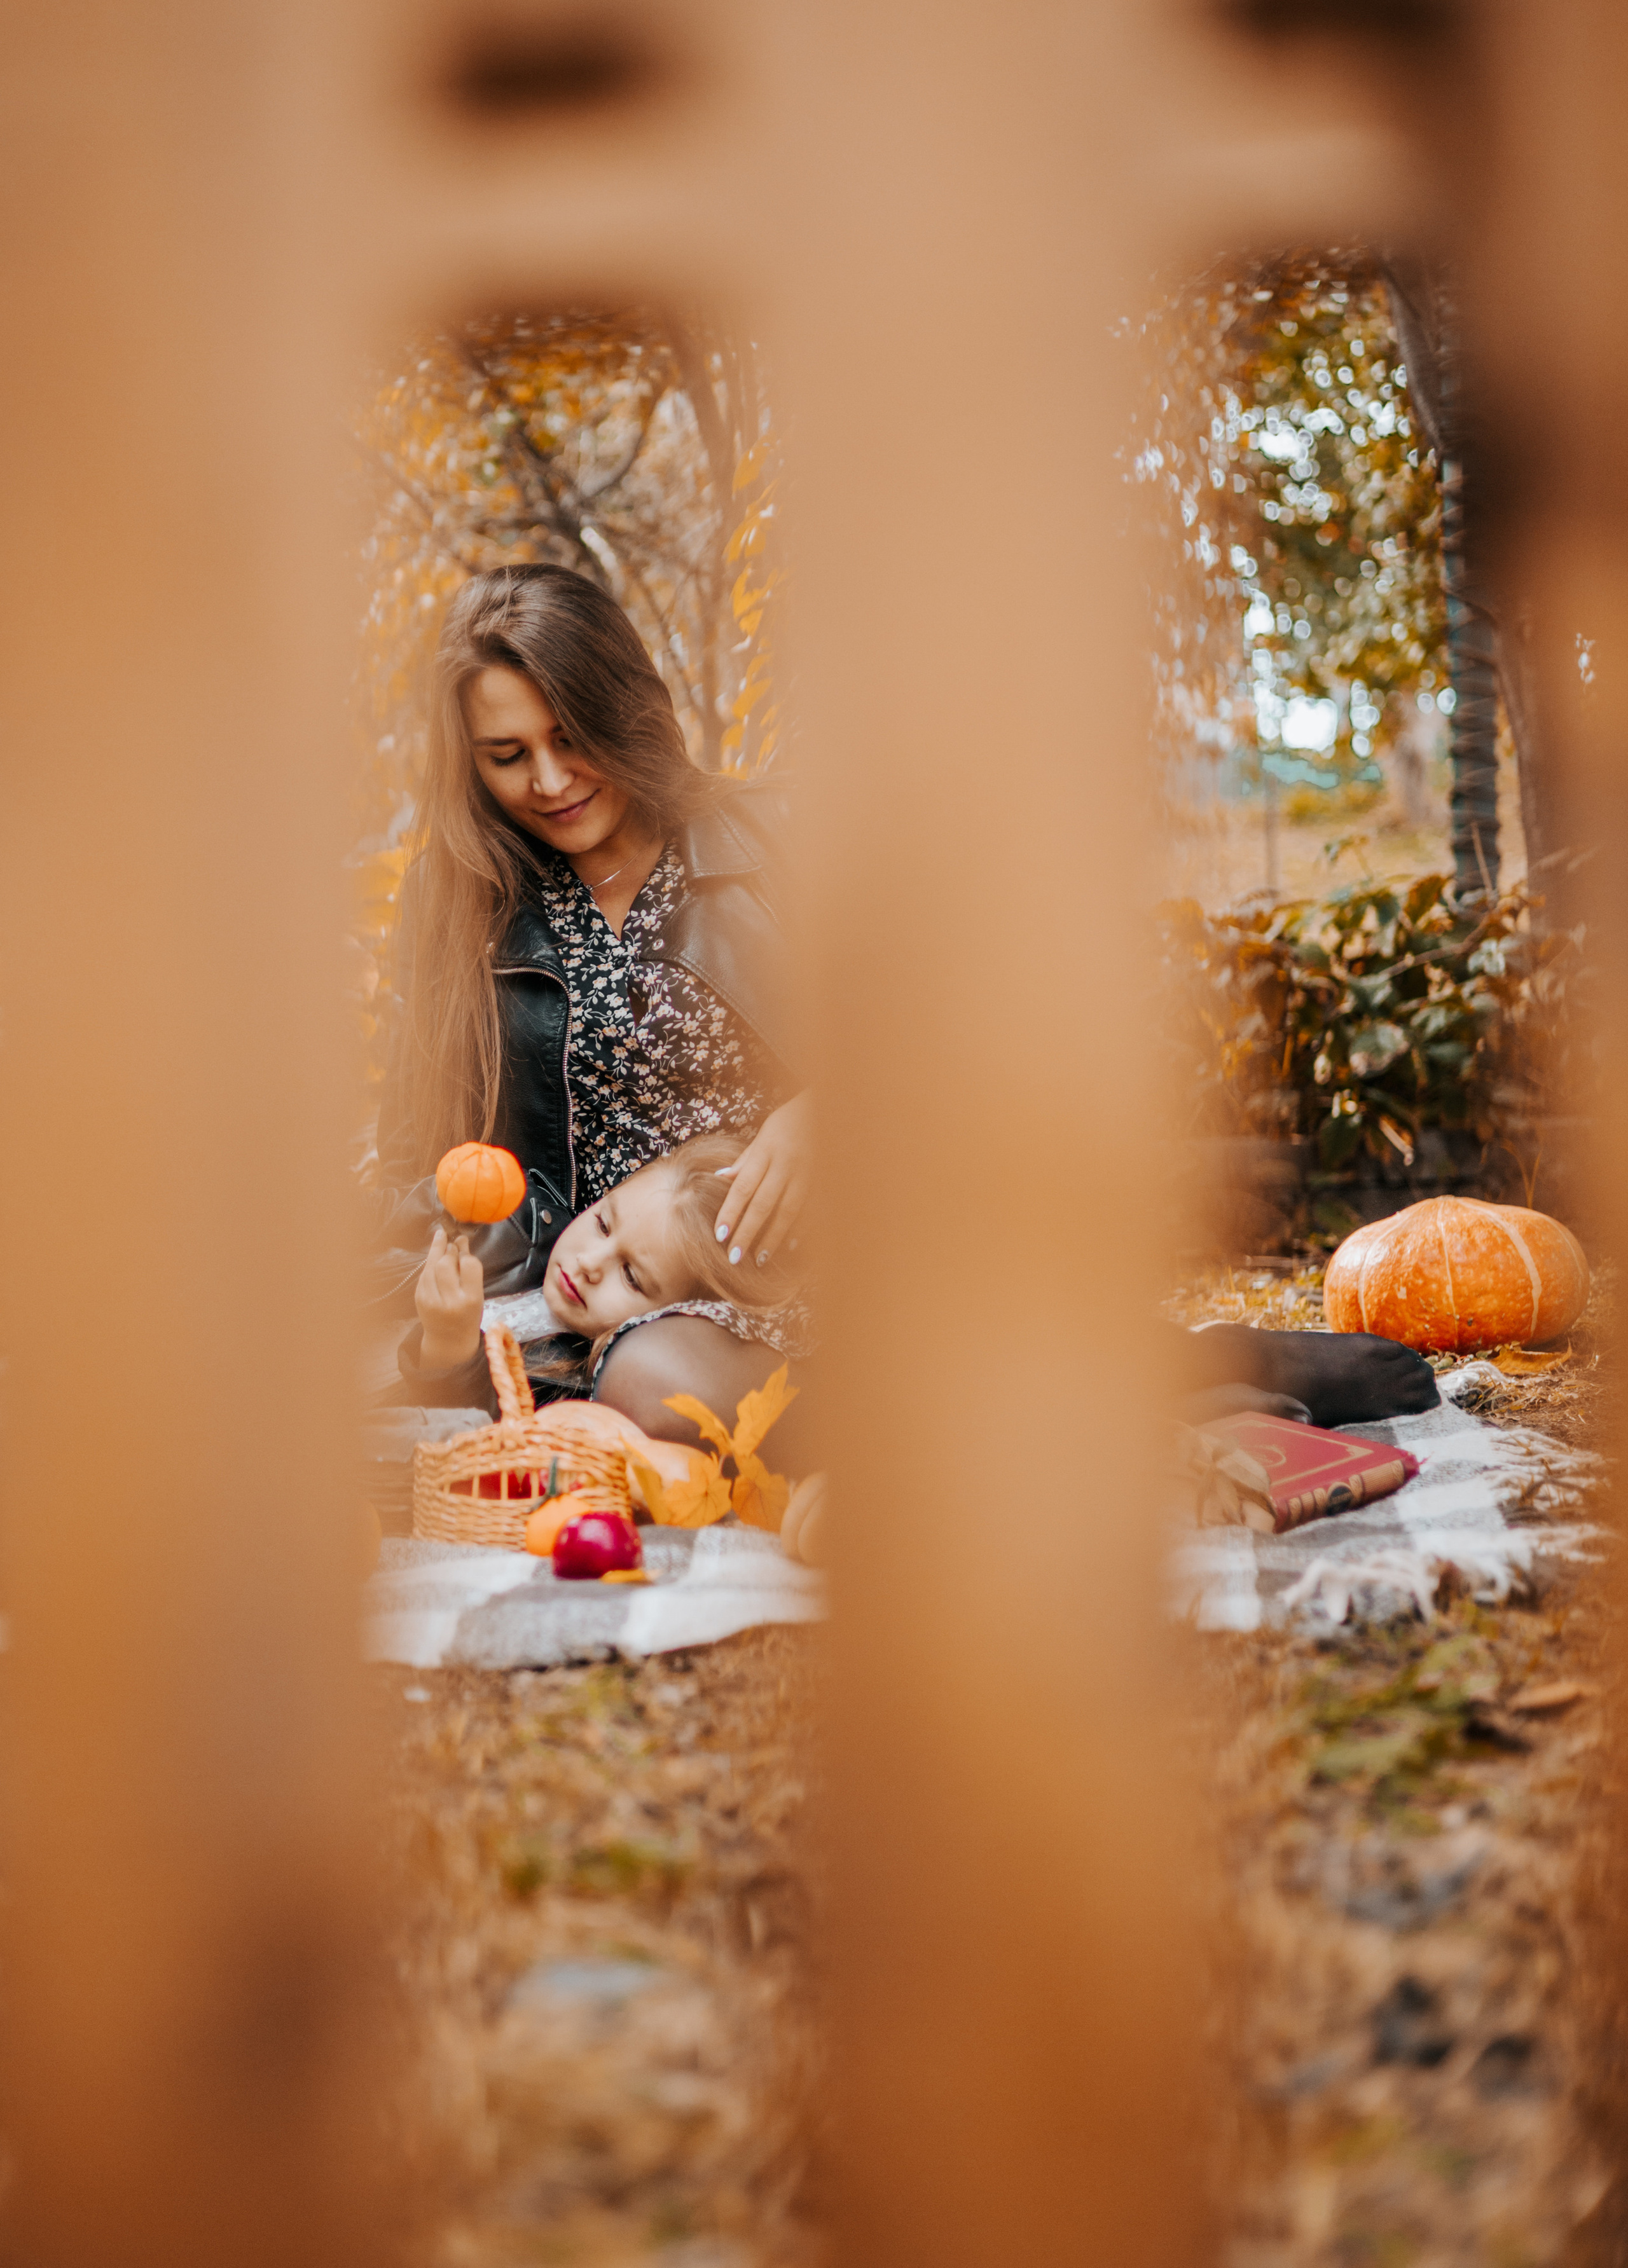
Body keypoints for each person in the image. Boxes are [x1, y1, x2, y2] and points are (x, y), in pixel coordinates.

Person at [376, 564, 813, 1448]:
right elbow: (414, 1157)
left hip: (782, 1286)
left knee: (653, 1383)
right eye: (507, 756)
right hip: (571, 1301)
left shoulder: (775, 838)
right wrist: (451, 1303)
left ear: (624, 710)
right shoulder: (452, 902)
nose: (549, 781)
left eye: (572, 737)